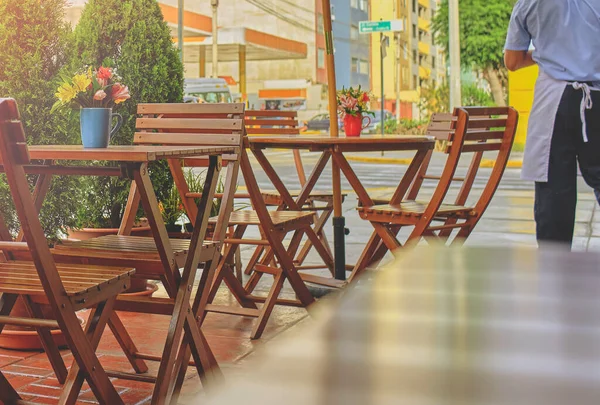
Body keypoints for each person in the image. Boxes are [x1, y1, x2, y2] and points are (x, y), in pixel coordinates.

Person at [504, 0, 600, 248]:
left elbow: (512, 61)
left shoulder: (529, 3)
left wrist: (548, 52)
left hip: (554, 100)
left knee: (554, 193)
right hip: (596, 98)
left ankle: (554, 275)